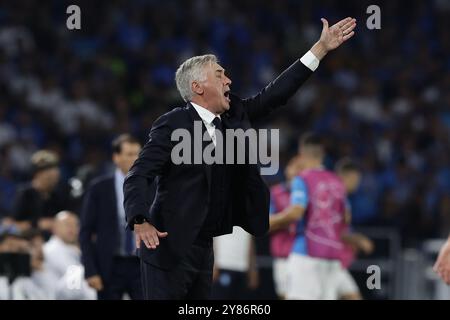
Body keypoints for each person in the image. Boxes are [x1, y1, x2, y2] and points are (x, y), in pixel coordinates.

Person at [124, 18, 357, 299]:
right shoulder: (172, 124)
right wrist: (140, 219)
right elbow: (139, 173)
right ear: (198, 86)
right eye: (220, 74)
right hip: (167, 247)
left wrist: (319, 49)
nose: (228, 80)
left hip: (204, 247)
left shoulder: (233, 118)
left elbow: (275, 95)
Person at [269, 133, 359, 299]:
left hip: (306, 253)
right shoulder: (338, 182)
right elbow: (346, 218)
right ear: (322, 155)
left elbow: (296, 212)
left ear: (301, 154)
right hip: (332, 257)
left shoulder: (302, 179)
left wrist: (268, 221)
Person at [80, 134, 144, 300]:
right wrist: (90, 270)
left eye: (138, 153)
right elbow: (85, 232)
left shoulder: (153, 187)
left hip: (142, 265)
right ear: (116, 157)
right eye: (129, 154)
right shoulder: (99, 189)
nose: (135, 158)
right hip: (109, 266)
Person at [334, 158, 374, 300]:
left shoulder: (343, 199)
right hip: (329, 261)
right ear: (348, 176)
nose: (358, 183)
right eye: (356, 179)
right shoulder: (335, 197)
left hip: (335, 263)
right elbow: (333, 229)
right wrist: (359, 240)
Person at [269, 156, 302, 299]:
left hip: (304, 256)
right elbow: (266, 224)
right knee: (285, 296)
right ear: (287, 170)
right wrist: (288, 219)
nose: (296, 171)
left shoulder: (310, 193)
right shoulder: (276, 193)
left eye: (300, 168)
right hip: (282, 255)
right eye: (293, 166)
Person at [43, 211, 96, 300]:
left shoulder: (74, 249)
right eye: (67, 224)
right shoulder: (50, 250)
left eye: (75, 225)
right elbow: (71, 286)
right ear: (55, 228)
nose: (72, 228)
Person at [10, 150, 63, 235]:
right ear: (38, 174)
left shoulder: (56, 195)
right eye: (49, 173)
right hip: (29, 239)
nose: (55, 175)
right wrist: (37, 224)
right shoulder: (25, 194)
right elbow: (12, 224)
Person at [211, 226, 259, 299]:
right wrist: (213, 265)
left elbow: (251, 243)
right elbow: (213, 239)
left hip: (243, 268)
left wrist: (253, 269)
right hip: (223, 265)